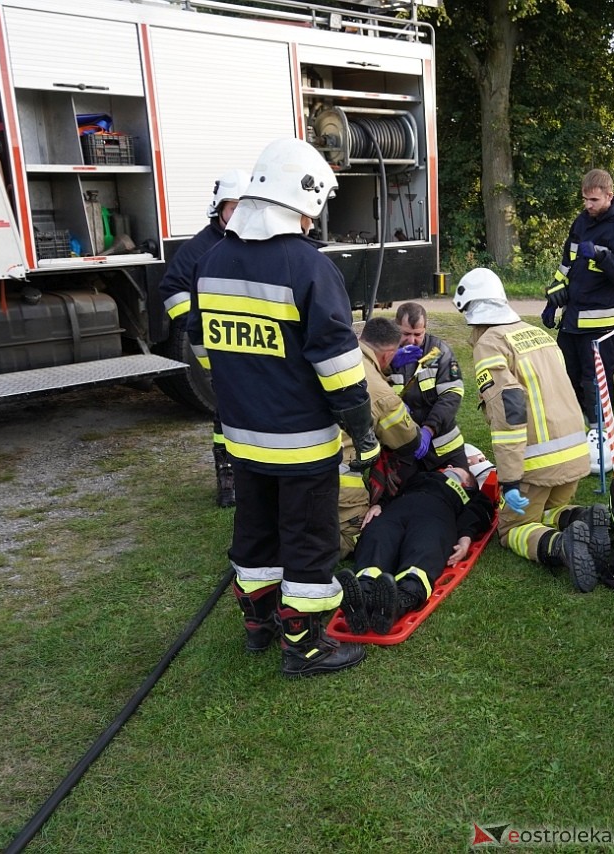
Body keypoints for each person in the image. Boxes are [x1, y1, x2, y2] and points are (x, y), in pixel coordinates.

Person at [189, 137, 377, 678]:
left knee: (255, 532)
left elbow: (204, 350)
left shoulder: (212, 261)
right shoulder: (308, 267)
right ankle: (306, 646)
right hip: (300, 443)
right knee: (309, 541)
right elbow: (339, 366)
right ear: (303, 200)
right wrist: (362, 431)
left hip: (243, 437)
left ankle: (258, 625)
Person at [456, 267, 614, 592]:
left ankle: (562, 547)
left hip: (539, 464)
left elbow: (509, 413)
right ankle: (583, 516)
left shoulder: (490, 344)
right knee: (552, 509)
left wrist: (511, 479)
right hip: (574, 456)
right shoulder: (535, 333)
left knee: (514, 528)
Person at [157, 169, 249, 507]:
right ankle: (228, 485)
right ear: (219, 209)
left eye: (245, 206)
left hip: (253, 346)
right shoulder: (201, 247)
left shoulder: (256, 242)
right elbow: (171, 289)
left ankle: (255, 481)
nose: (238, 215)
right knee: (225, 417)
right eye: (232, 207)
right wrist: (200, 323)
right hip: (220, 350)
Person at [544, 169, 614, 427]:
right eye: (585, 199)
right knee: (567, 378)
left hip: (601, 327)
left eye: (594, 200)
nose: (588, 205)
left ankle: (601, 439)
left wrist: (603, 257)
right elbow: (567, 263)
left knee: (595, 384)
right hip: (571, 322)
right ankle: (580, 432)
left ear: (609, 196)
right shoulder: (581, 222)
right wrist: (553, 293)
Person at [344, 464, 496, 635]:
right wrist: (380, 505)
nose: (450, 467)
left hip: (436, 515)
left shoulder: (471, 494)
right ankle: (363, 593)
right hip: (397, 511)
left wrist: (465, 537)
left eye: (457, 470)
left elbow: (479, 512)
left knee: (425, 548)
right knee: (378, 536)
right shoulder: (419, 477)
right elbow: (393, 492)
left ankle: (400, 600)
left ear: (467, 484)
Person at [337, 317, 423, 558]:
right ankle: (295, 552)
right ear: (388, 354)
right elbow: (408, 441)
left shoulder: (341, 354)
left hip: (296, 463)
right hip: (338, 478)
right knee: (356, 538)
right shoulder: (379, 390)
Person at [391, 302, 468, 470]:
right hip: (403, 445)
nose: (412, 340)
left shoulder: (439, 352)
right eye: (406, 334)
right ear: (396, 326)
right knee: (399, 494)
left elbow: (451, 395)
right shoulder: (385, 352)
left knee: (465, 490)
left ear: (425, 328)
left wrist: (429, 429)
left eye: (418, 334)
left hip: (444, 444)